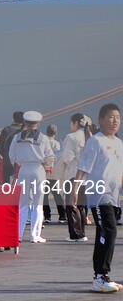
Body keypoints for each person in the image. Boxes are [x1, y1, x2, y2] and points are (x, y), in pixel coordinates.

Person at [73, 103, 123, 293]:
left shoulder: (118, 142)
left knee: (107, 232)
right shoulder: (96, 141)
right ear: (101, 120)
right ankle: (100, 276)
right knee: (108, 232)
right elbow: (83, 167)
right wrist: (74, 191)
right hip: (99, 194)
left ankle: (102, 276)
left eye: (117, 117)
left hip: (113, 196)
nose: (115, 120)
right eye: (110, 117)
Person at [9, 110, 54, 243]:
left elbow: (12, 156)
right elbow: (49, 156)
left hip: (23, 169)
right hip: (37, 169)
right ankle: (35, 235)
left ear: (24, 122)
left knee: (22, 203)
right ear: (38, 124)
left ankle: (18, 235)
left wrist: (21, 162)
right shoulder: (43, 138)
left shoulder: (17, 138)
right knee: (37, 203)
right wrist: (45, 164)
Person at [59, 113, 93, 242]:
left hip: (73, 174)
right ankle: (82, 233)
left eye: (71, 123)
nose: (70, 126)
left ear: (76, 123)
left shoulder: (71, 137)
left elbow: (67, 157)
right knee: (81, 206)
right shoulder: (90, 136)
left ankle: (75, 234)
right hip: (86, 176)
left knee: (71, 205)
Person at [43, 124, 66, 224]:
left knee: (44, 196)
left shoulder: (43, 142)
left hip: (44, 174)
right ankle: (62, 216)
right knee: (57, 195)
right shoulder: (57, 144)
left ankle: (47, 216)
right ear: (55, 133)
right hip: (54, 174)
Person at [0, 111, 24, 184]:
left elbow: (0, 147)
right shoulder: (24, 131)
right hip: (21, 164)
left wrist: (5, 156)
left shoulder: (6, 129)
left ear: (13, 119)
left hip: (7, 163)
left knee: (7, 187)